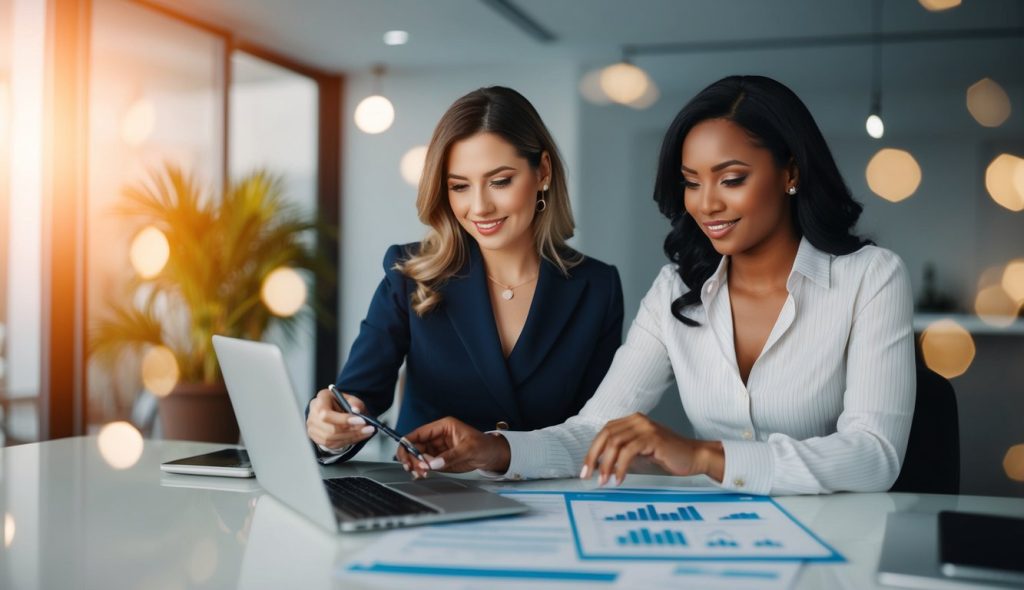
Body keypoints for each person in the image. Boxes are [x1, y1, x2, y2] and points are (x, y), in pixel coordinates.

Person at [397, 75, 916, 496]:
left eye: (731, 179)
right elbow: (594, 431)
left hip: (840, 538)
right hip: (723, 539)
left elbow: (874, 456)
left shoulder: (870, 277)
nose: (706, 203)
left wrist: (705, 456)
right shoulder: (675, 290)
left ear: (790, 173)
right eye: (692, 181)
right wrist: (495, 451)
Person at [306, 86, 624, 465]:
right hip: (428, 496)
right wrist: (332, 429)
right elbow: (356, 397)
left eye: (500, 181)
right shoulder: (410, 273)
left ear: (542, 172)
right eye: (459, 186)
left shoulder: (597, 288)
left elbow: (595, 431)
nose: (479, 207)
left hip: (547, 503)